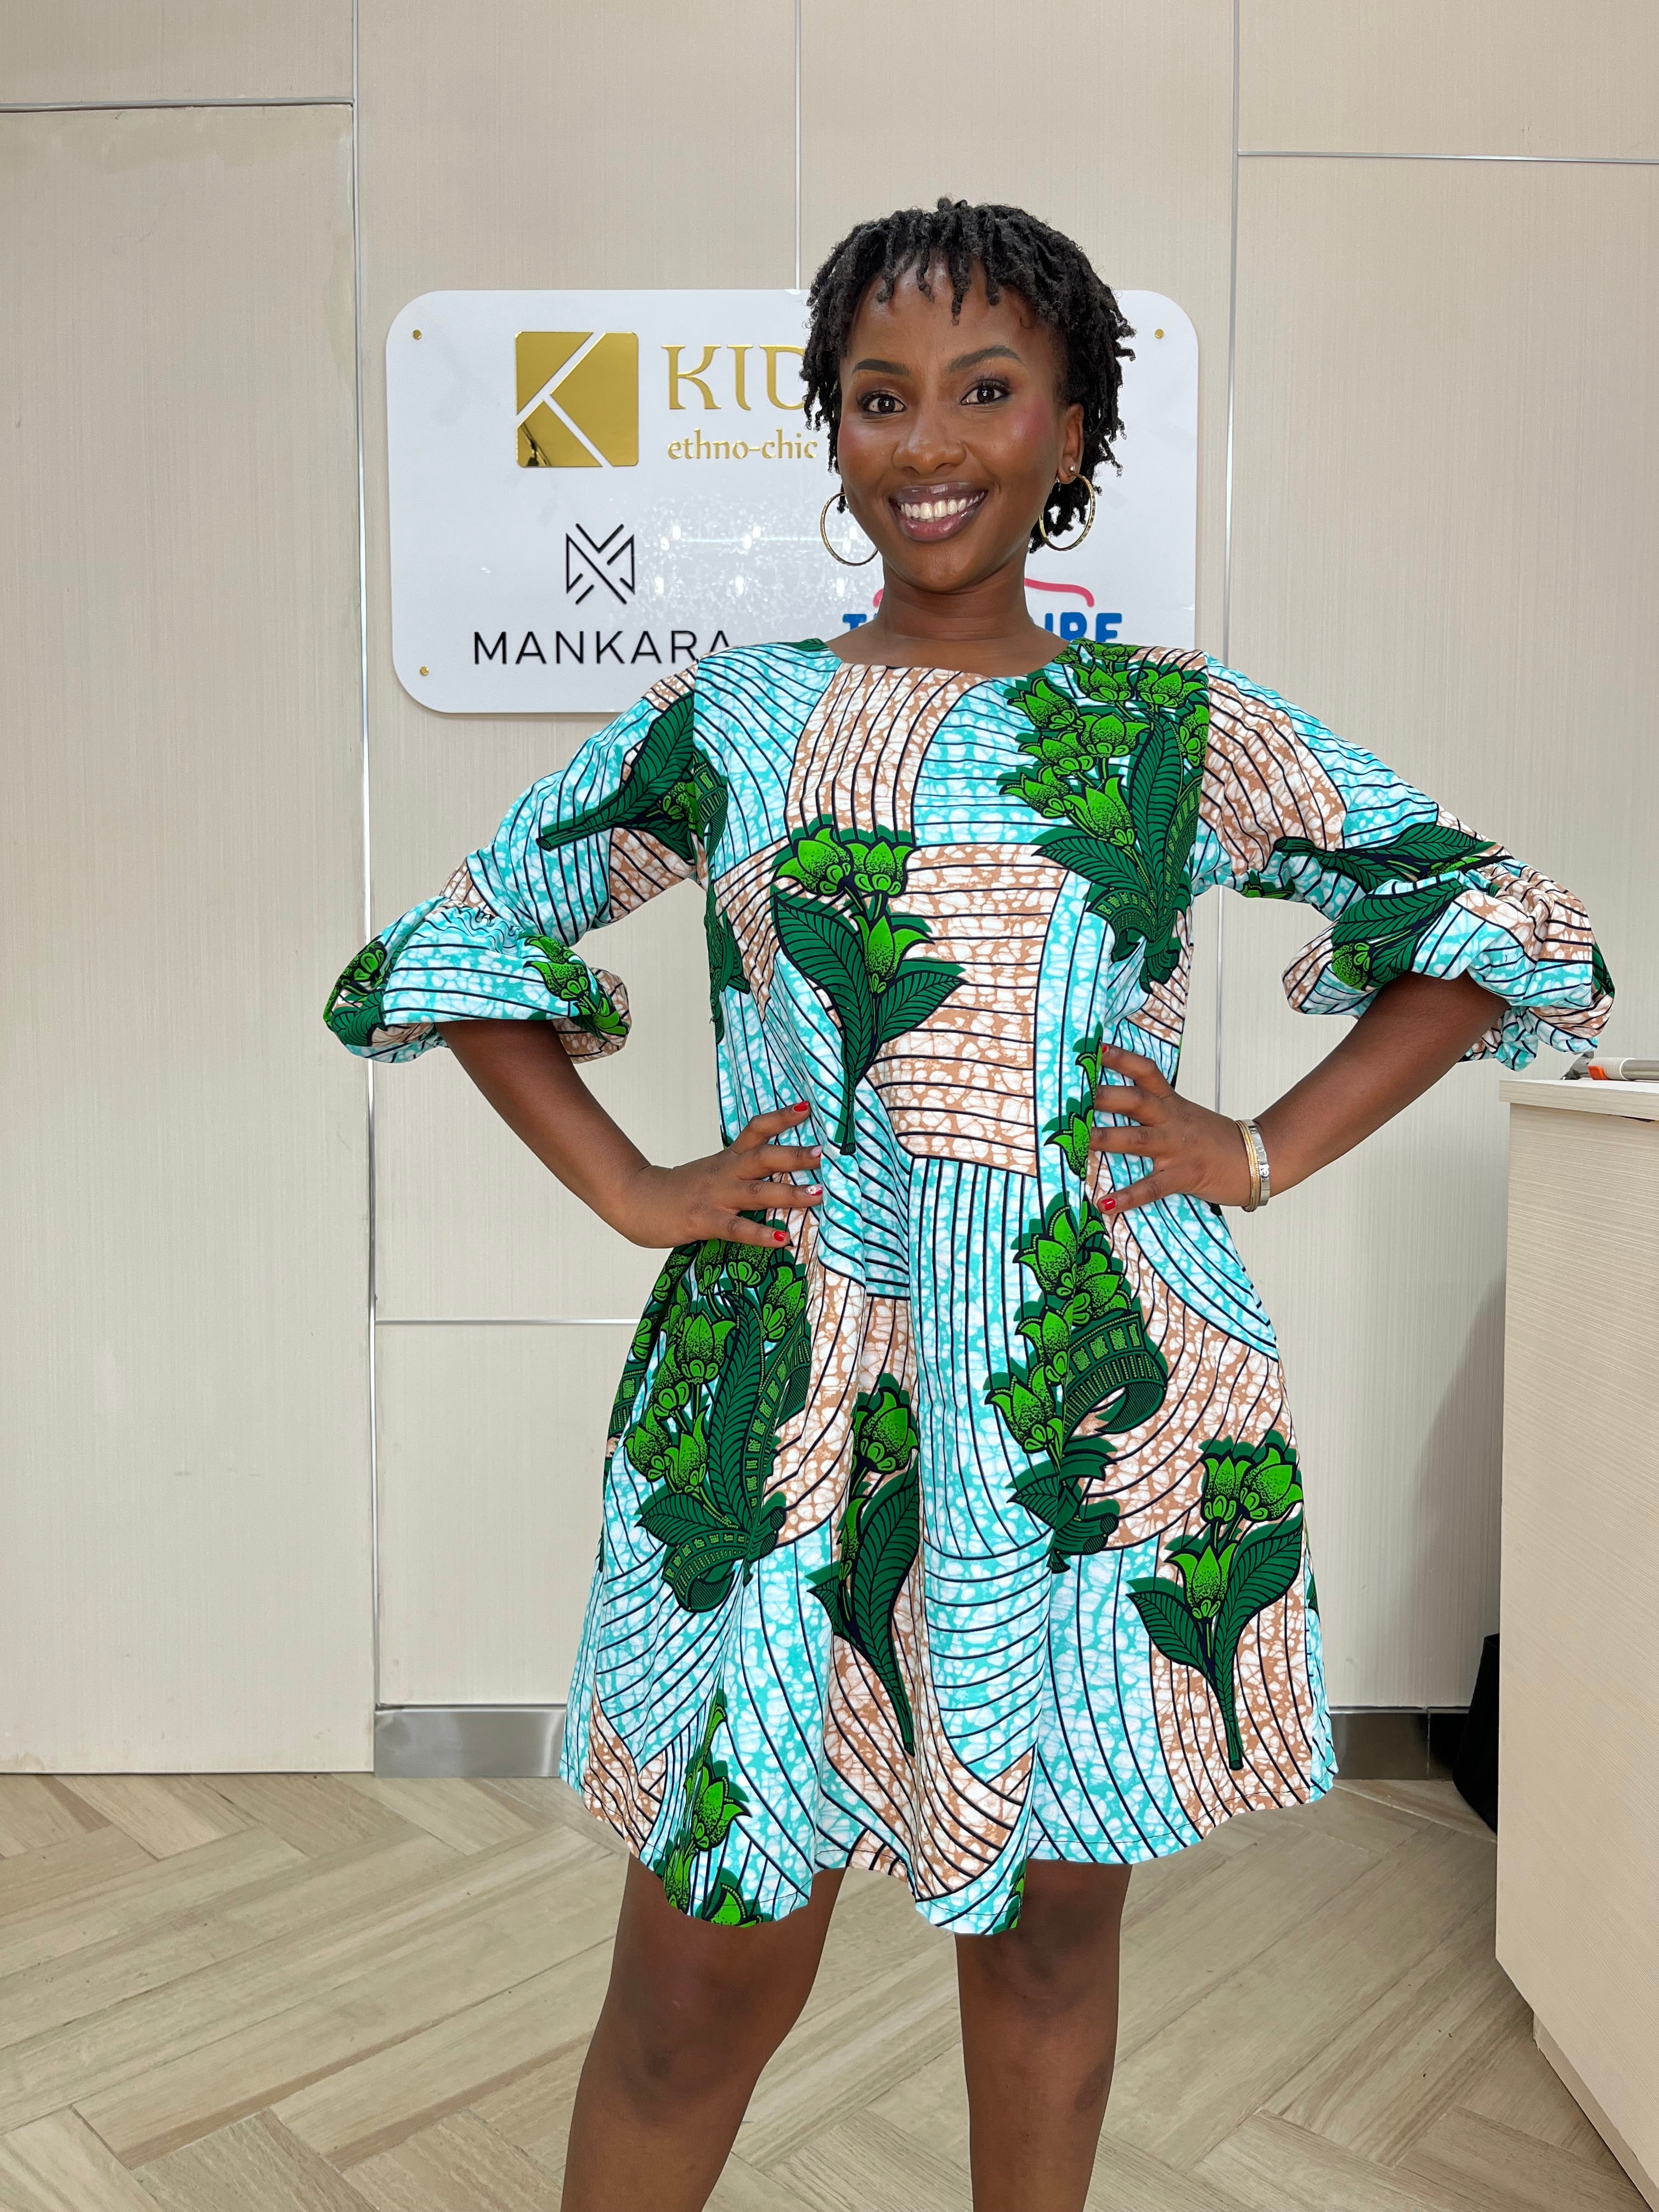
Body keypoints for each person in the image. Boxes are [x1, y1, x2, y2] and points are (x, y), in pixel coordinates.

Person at [324, 198, 1612, 2212]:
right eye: (879, 397)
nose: (928, 441)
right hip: (789, 1404)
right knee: (694, 1986)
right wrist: (636, 1188)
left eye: (985, 390)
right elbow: (469, 935)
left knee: (1044, 1945)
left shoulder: (1169, 727)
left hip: (1079, 1409)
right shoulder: (735, 719)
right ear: (834, 435)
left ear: (1071, 427)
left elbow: (1498, 919)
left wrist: (1257, 1148)